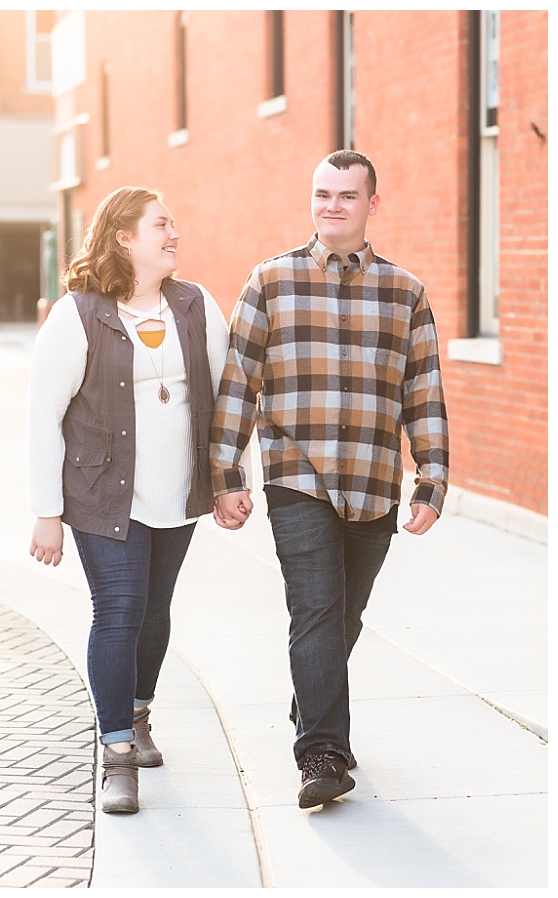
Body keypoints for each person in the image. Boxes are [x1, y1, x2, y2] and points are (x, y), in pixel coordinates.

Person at [210, 150, 449, 809]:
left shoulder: (405, 292)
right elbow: (237, 384)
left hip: (373, 479)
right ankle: (322, 754)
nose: (332, 205)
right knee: (315, 605)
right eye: (322, 194)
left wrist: (431, 480)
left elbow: (422, 393)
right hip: (298, 476)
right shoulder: (271, 281)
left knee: (346, 613)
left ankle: (310, 700)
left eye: (347, 195)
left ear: (373, 205)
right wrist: (226, 475)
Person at [27, 187, 229, 814]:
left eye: (173, 223)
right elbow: (43, 416)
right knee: (119, 609)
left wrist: (232, 481)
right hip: (100, 492)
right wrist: (46, 512)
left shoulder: (195, 306)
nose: (174, 234)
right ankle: (116, 752)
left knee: (154, 609)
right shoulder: (77, 314)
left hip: (177, 486)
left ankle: (138, 715)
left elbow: (229, 399)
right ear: (124, 238)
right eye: (161, 225)